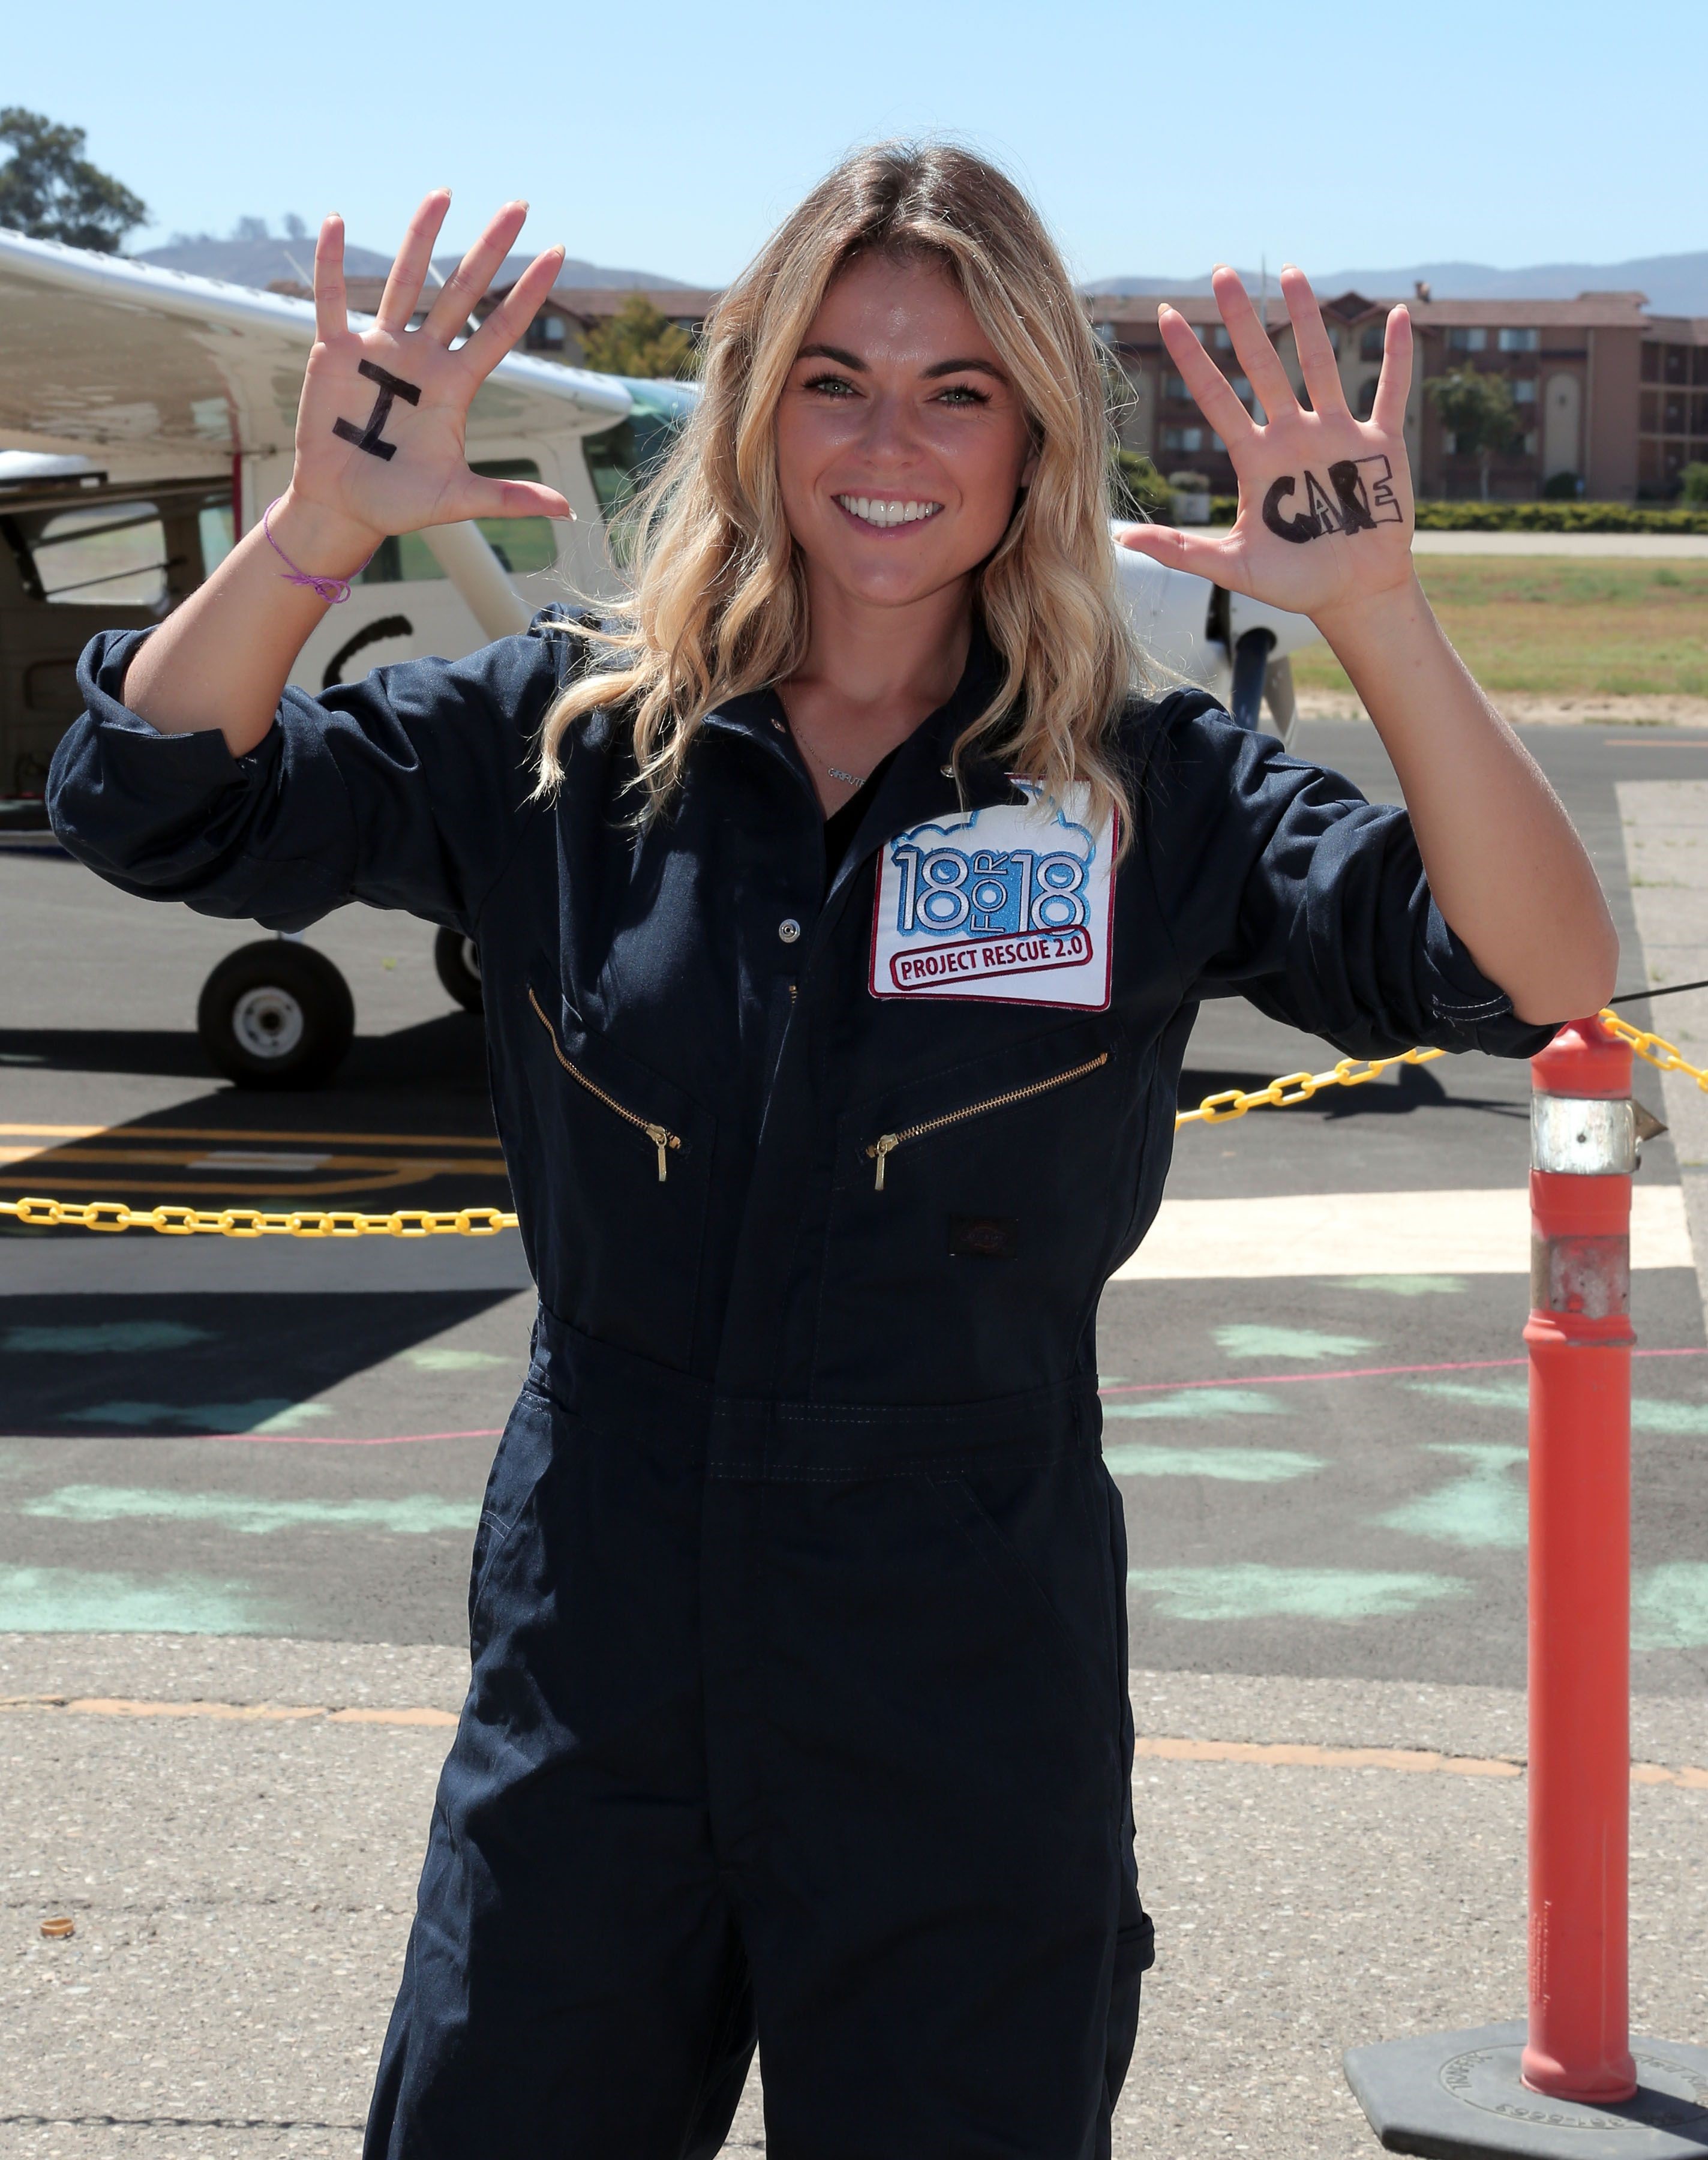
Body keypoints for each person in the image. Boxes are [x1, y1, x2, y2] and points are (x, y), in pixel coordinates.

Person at [47, 142, 1616, 2159]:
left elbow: (1530, 967)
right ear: (755, 403)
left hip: (961, 1677)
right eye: (835, 379)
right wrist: (312, 533)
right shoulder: (568, 746)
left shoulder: (1145, 797)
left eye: (959, 387)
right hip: (598, 1660)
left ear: (1036, 433)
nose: (894, 441)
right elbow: (151, 803)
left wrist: (1384, 621)